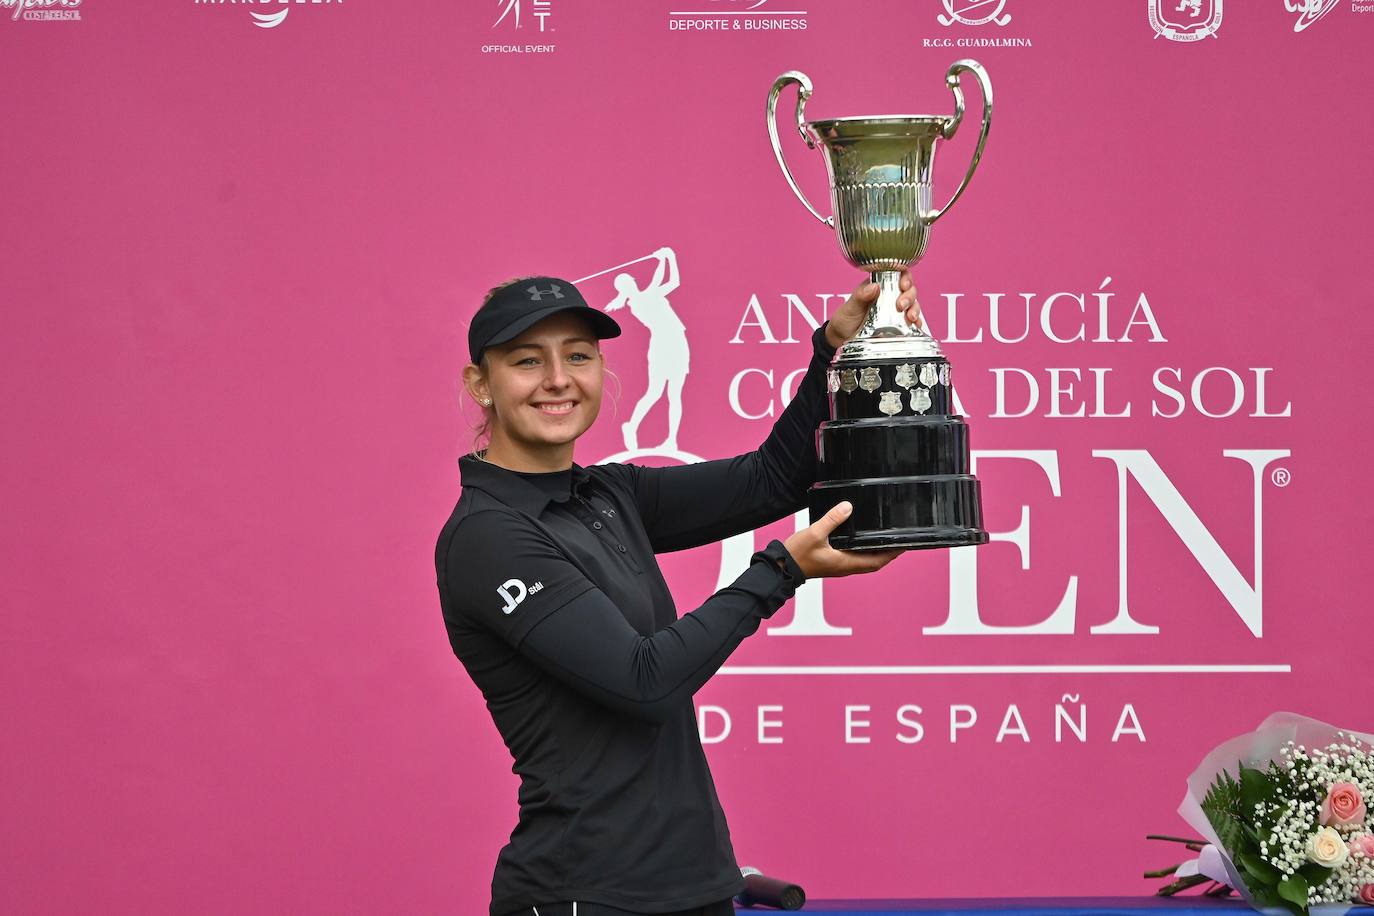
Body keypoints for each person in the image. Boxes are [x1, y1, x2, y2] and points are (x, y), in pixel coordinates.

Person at [435, 271, 923, 916]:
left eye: (578, 356)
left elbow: (772, 479)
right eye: (527, 361)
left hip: (695, 883)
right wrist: (781, 571)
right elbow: (644, 682)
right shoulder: (488, 536)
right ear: (481, 384)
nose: (558, 379)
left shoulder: (609, 494)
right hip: (583, 893)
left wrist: (832, 349)